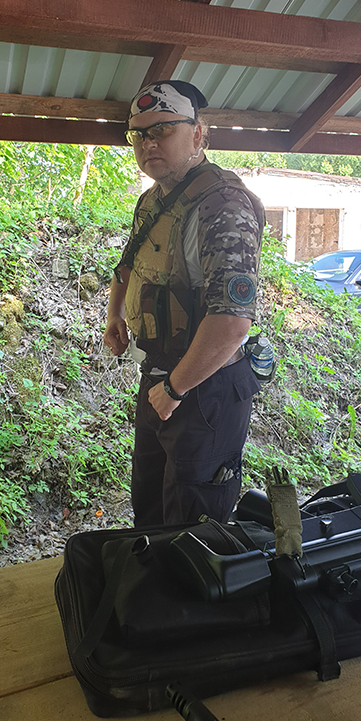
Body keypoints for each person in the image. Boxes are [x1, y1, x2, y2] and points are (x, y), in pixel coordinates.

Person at [103, 80, 265, 527]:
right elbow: (127, 266)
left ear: (198, 134)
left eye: (163, 130)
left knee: (194, 529)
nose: (148, 143)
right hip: (159, 375)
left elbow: (232, 322)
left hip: (205, 386)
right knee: (150, 511)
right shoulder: (152, 200)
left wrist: (176, 388)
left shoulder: (223, 205)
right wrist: (115, 314)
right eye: (139, 134)